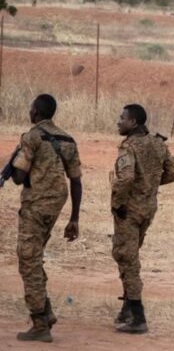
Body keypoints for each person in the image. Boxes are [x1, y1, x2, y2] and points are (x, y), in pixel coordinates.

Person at [10, 94, 82, 343]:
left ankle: (40, 323)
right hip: (56, 205)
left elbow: (20, 177)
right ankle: (47, 311)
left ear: (36, 112)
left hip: (36, 205)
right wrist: (74, 218)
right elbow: (76, 180)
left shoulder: (31, 136)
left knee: (27, 261)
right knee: (34, 255)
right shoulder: (67, 139)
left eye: (31, 108)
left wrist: (14, 165)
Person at [111, 104, 174, 333]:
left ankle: (138, 316)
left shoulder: (129, 146)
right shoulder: (158, 144)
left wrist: (118, 203)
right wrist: (148, 185)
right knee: (129, 255)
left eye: (122, 118)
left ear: (134, 122)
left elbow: (126, 177)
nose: (118, 121)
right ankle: (128, 308)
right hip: (148, 209)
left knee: (126, 257)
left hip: (129, 211)